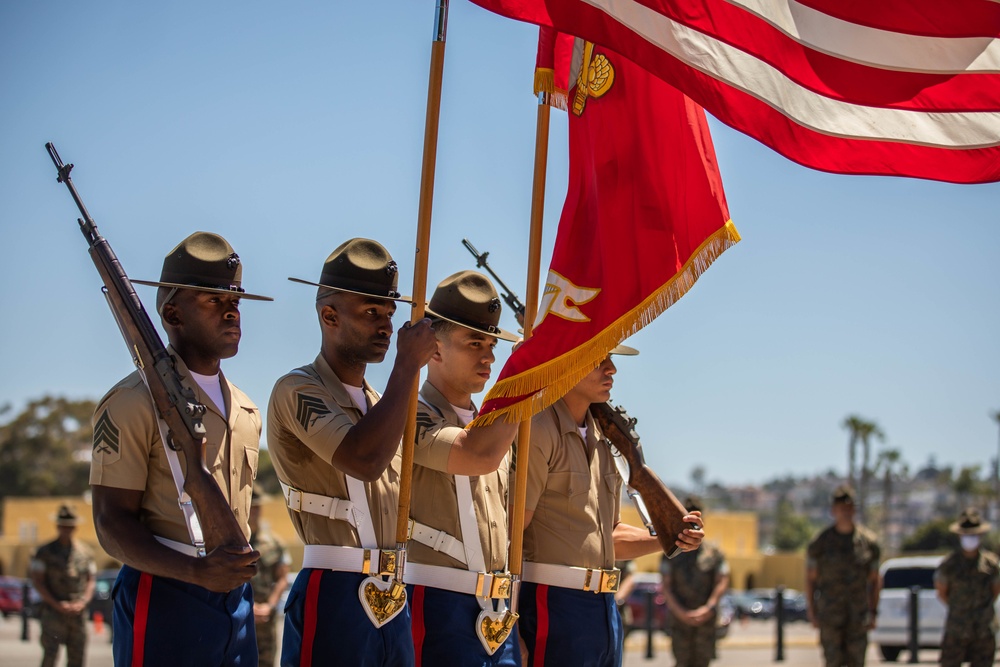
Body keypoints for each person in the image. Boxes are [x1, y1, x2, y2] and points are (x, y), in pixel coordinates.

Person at [90, 231, 272, 666]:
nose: (232, 312)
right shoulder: (133, 401)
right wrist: (195, 573)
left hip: (236, 600)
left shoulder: (246, 409)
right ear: (172, 312)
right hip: (165, 592)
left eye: (236, 301)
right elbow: (110, 522)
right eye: (213, 300)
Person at [268, 238, 437, 667]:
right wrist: (406, 366)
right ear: (329, 316)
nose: (386, 326)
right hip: (336, 587)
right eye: (370, 313)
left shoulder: (383, 403)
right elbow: (363, 461)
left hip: (393, 590)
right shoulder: (298, 389)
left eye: (389, 314)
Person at [516, 351, 705, 666]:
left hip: (605, 608)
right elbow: (510, 534)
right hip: (553, 604)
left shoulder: (605, 440)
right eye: (596, 359)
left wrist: (667, 538)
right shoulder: (537, 428)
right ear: (565, 361)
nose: (612, 369)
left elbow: (606, 536)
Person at [404, 270, 521, 666]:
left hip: (499, 609)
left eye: (492, 344)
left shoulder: (494, 427)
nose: (489, 357)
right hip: (437, 604)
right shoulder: (409, 415)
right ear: (434, 349)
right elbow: (476, 455)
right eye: (475, 343)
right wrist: (525, 377)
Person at [805, 484, 881, 667]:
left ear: (854, 510)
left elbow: (875, 580)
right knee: (833, 662)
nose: (845, 512)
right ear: (833, 511)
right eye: (841, 508)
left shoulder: (869, 543)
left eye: (849, 508)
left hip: (858, 616)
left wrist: (873, 612)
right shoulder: (820, 544)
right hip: (830, 617)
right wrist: (812, 612)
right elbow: (810, 580)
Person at [660, 496, 730, 667]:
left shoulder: (714, 553)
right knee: (681, 662)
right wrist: (682, 613)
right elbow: (666, 586)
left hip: (706, 622)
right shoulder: (670, 551)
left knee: (702, 662)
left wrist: (708, 608)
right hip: (679, 621)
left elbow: (722, 582)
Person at [30, 505, 97, 667]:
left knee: (77, 659)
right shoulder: (44, 552)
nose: (66, 529)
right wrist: (57, 605)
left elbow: (90, 580)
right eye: (63, 525)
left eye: (70, 526)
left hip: (77, 614)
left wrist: (82, 602)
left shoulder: (86, 553)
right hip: (53, 614)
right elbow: (38, 582)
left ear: (75, 527)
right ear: (57, 526)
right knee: (50, 657)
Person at [934, 507, 1000, 667]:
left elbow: (996, 591)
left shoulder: (991, 564)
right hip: (956, 629)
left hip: (983, 630)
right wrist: (960, 609)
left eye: (973, 534)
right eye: (966, 534)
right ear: (959, 536)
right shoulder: (949, 564)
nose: (970, 538)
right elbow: (942, 592)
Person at [249, 486, 290, 667]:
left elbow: (282, 579)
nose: (254, 511)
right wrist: (247, 607)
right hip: (239, 616)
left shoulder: (274, 543)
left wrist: (269, 606)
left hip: (266, 619)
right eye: (251, 506)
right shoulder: (232, 542)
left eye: (257, 506)